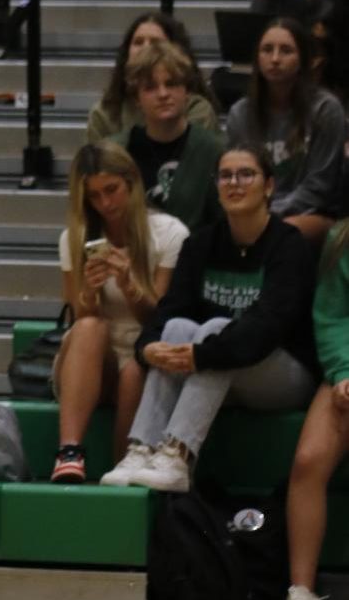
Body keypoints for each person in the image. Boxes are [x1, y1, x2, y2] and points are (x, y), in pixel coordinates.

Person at [102, 143, 318, 495]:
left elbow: (266, 328)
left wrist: (201, 355)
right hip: (217, 368)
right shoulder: (201, 244)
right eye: (225, 175)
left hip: (282, 373)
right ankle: (142, 448)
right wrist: (148, 350)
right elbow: (169, 310)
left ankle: (178, 456)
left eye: (246, 174)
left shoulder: (289, 246)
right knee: (175, 329)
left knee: (219, 330)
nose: (234, 182)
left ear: (268, 186)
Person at [50, 143, 187, 484]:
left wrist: (130, 287)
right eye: (94, 196)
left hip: (143, 354)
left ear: (132, 183)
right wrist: (89, 292)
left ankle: (122, 468)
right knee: (90, 326)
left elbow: (162, 321)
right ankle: (69, 453)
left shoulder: (169, 233)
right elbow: (79, 316)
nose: (105, 204)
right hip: (89, 357)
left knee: (136, 368)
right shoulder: (74, 238)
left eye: (111, 190)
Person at [225, 17, 345, 242]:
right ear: (257, 59)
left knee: (284, 232)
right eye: (267, 50)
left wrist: (270, 216)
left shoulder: (325, 110)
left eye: (286, 50)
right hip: (254, 212)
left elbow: (319, 186)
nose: (275, 59)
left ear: (303, 60)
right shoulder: (240, 114)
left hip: (310, 215)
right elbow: (236, 176)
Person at [285, 223, 349, 600]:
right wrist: (344, 372)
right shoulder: (341, 238)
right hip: (347, 371)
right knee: (309, 460)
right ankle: (302, 596)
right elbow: (330, 317)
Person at [112, 42, 225, 230]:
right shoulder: (118, 151)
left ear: (187, 91)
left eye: (171, 84)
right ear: (136, 98)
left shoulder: (213, 151)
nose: (163, 94)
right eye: (150, 87)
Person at [87, 11, 217, 142]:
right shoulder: (104, 114)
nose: (145, 48)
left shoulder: (197, 109)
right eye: (138, 42)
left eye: (155, 42)